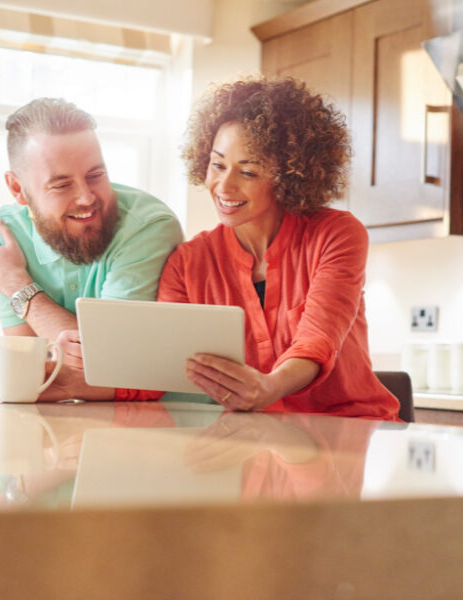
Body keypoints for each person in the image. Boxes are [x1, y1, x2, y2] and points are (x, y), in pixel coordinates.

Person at [160, 76, 400, 419]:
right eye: (217, 165)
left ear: (290, 176)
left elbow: (316, 341)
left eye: (249, 172)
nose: (224, 185)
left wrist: (268, 388)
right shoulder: (186, 264)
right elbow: (162, 362)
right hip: (252, 440)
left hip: (347, 430)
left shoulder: (336, 234)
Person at [0, 98, 183, 400]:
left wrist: (16, 284)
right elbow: (33, 370)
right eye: (61, 185)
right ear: (18, 189)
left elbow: (109, 359)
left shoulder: (147, 226)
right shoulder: (0, 238)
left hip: (166, 423)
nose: (86, 198)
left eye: (96, 175)